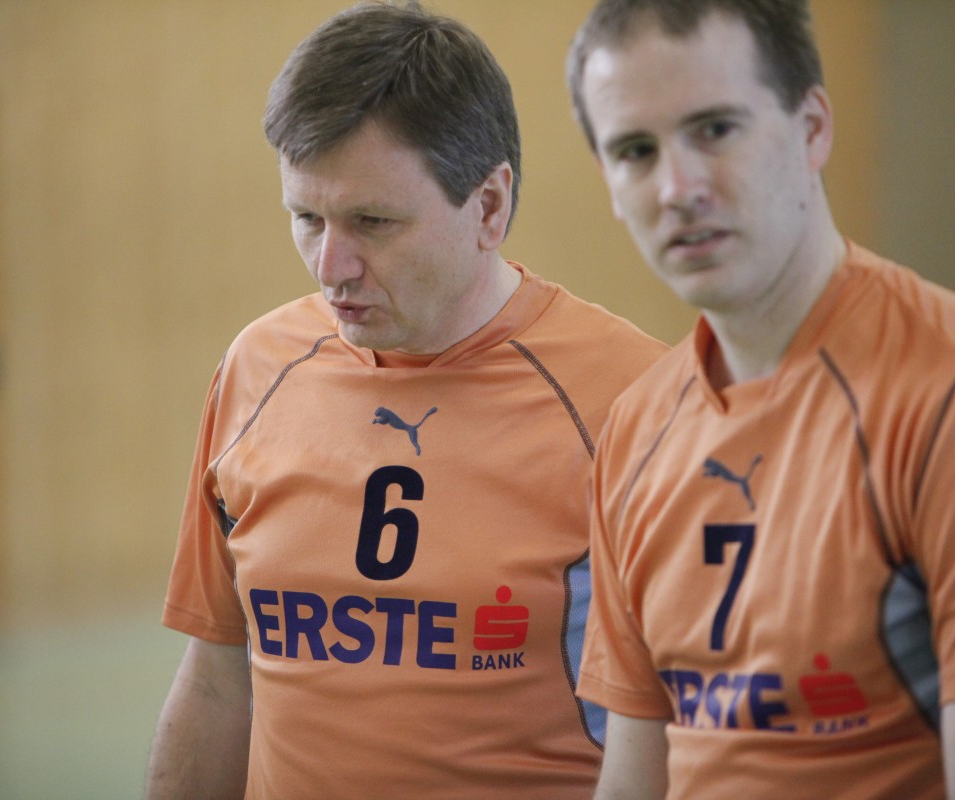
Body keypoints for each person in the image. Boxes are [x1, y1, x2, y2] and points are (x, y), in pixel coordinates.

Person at [143, 2, 668, 798]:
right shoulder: (257, 369)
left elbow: (695, 730)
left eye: (373, 221)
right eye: (306, 218)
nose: (331, 266)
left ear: (488, 207)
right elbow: (218, 680)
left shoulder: (634, 403)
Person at [565, 1, 955, 798]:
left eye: (716, 130)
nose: (677, 188)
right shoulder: (637, 430)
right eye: (636, 151)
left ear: (812, 128)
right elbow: (634, 781)